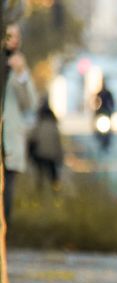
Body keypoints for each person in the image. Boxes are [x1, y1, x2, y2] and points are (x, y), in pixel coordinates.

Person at [2, 23, 38, 226]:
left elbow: (30, 103)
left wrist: (21, 74)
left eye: (16, 36)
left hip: (9, 141)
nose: (12, 40)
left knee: (6, 198)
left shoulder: (19, 67)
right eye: (8, 35)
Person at [29, 98, 64, 190]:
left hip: (40, 154)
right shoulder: (54, 127)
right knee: (53, 171)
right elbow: (58, 144)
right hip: (51, 156)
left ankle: (39, 185)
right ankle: (55, 186)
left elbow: (32, 139)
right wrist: (60, 157)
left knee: (40, 170)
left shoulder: (38, 125)